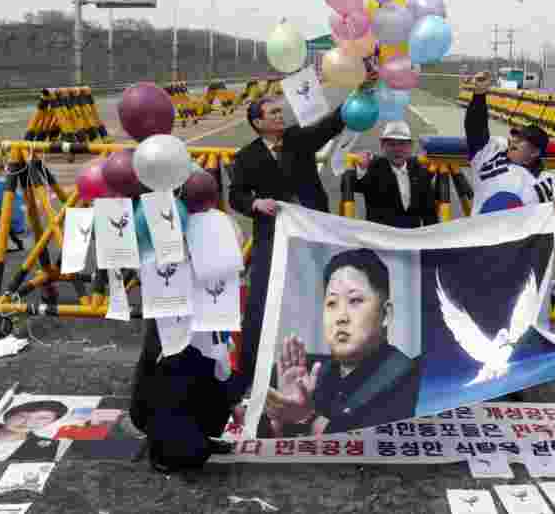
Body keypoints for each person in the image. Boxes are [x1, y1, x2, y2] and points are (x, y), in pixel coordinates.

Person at [228, 97, 347, 395]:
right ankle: (250, 372)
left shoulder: (298, 139)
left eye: (280, 111)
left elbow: (330, 125)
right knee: (262, 300)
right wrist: (254, 202)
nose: (281, 116)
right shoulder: (245, 157)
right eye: (274, 113)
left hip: (312, 234)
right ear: (258, 122)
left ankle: (328, 367)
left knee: (320, 293)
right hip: (273, 236)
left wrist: (362, 91)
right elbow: (236, 196)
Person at [264, 248, 421, 436]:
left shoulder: (412, 382)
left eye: (354, 300)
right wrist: (281, 416)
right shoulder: (310, 375)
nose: (341, 317)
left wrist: (307, 418)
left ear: (386, 314)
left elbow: (373, 453)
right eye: (332, 303)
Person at [464, 71, 555, 240]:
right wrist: (479, 94)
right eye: (515, 136)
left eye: (522, 140)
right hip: (480, 245)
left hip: (517, 256)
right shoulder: (489, 157)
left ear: (535, 152)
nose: (514, 141)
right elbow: (475, 129)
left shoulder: (549, 182)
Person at [129, 323, 240, 474]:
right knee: (192, 454)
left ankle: (198, 433)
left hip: (205, 318)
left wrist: (233, 400)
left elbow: (222, 365)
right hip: (176, 320)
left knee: (213, 359)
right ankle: (159, 441)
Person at [354, 121, 438, 229]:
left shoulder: (420, 171)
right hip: (381, 238)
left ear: (410, 146)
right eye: (392, 144)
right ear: (382, 146)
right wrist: (362, 168)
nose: (397, 149)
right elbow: (355, 185)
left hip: (411, 238)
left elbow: (429, 212)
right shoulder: (374, 168)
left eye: (402, 144)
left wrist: (431, 239)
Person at [0, 400, 67, 462]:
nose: (28, 422)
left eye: (42, 418)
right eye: (22, 415)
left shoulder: (49, 447)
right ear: (8, 414)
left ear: (52, 422)